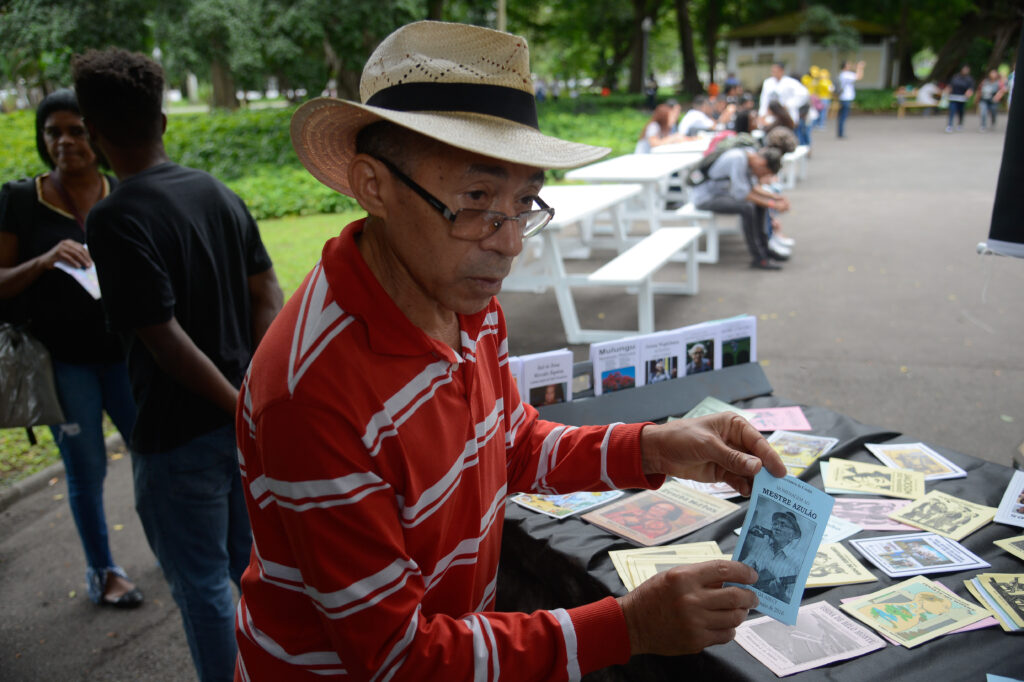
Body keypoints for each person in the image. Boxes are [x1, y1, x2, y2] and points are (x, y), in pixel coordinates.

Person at [233, 20, 787, 682]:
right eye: (476, 200)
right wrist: (628, 626)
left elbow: (509, 445)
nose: (509, 241)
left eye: (523, 202)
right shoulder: (312, 392)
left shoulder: (463, 299)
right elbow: (394, 656)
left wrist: (658, 446)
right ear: (372, 185)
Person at [71, 49, 284, 682]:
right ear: (162, 123)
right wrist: (253, 394)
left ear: (96, 136)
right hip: (239, 427)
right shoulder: (215, 191)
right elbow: (266, 290)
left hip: (175, 436)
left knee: (202, 589)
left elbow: (163, 340)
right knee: (254, 573)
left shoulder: (113, 218)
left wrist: (236, 403)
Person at [0, 89, 142, 609]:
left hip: (127, 357)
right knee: (85, 470)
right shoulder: (20, 200)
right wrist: (43, 262)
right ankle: (104, 573)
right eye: (53, 131)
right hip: (65, 364)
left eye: (76, 131)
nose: (64, 141)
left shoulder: (121, 192)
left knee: (150, 453)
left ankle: (176, 549)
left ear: (97, 138)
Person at [690, 144, 790, 269]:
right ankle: (759, 257)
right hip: (706, 198)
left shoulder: (749, 155)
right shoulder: (738, 159)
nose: (762, 176)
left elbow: (752, 188)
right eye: (765, 173)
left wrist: (776, 198)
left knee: (758, 205)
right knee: (748, 207)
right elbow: (742, 194)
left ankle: (765, 248)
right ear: (762, 163)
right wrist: (773, 204)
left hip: (722, 194)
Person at [738, 511, 803, 602]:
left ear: (792, 535)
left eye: (783, 525)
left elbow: (791, 602)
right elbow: (741, 568)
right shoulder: (761, 545)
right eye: (775, 524)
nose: (777, 527)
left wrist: (781, 594)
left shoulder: (798, 562)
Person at [758, 62, 811, 135]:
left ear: (781, 71)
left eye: (775, 71)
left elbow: (804, 94)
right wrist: (762, 114)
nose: (773, 73)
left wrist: (789, 104)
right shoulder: (768, 82)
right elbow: (764, 99)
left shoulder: (790, 82)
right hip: (771, 115)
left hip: (786, 115)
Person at [836, 60, 865, 139]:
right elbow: (859, 77)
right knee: (843, 116)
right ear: (845, 66)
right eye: (848, 64)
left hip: (844, 97)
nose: (850, 65)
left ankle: (840, 133)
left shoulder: (843, 74)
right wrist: (859, 68)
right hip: (845, 98)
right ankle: (840, 133)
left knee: (842, 116)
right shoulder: (845, 75)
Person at [945, 65, 974, 133]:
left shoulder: (969, 79)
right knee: (952, 111)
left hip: (962, 98)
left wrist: (969, 93)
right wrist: (947, 90)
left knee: (961, 112)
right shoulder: (955, 77)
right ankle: (950, 125)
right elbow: (950, 85)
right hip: (953, 97)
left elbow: (971, 88)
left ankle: (960, 124)